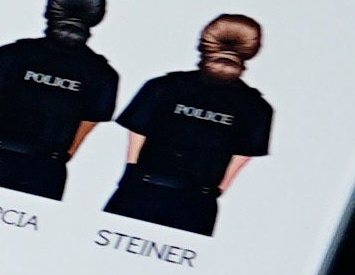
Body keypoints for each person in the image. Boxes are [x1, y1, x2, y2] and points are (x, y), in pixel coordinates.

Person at [106, 15, 274, 233]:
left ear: (204, 42)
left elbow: (138, 132)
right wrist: (214, 191)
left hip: (142, 189)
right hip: (196, 202)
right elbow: (242, 156)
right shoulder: (256, 106)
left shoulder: (163, 86)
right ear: (252, 50)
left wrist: (130, 174)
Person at [0, 0, 120, 200]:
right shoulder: (103, 73)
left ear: (50, 9)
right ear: (97, 17)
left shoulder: (13, 53)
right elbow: (88, 123)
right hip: (45, 168)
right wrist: (60, 157)